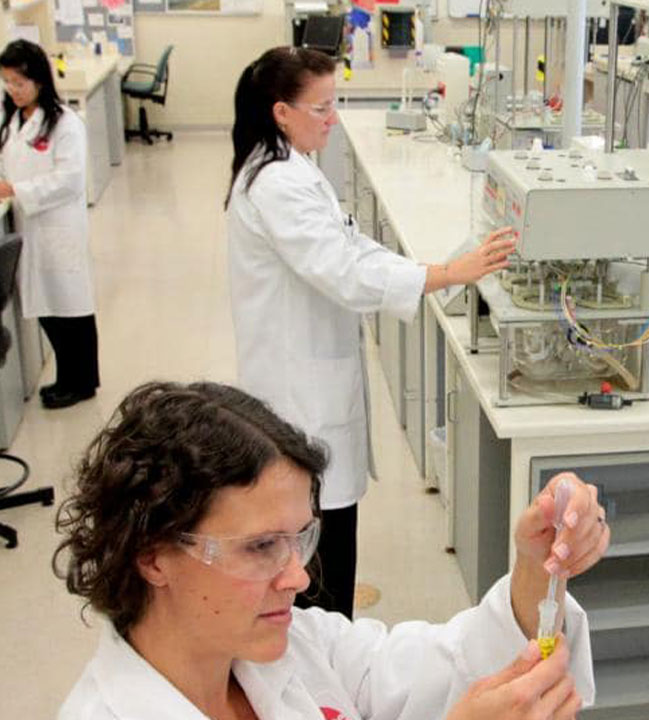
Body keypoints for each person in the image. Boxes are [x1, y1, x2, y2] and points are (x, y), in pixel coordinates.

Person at [55, 381, 610, 720]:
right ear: (153, 556)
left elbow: (445, 665)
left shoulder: (291, 644)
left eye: (299, 538)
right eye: (261, 546)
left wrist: (538, 568)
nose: (297, 578)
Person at [224, 47, 516, 618]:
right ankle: (323, 660)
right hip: (298, 394)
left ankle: (327, 646)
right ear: (282, 112)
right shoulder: (278, 183)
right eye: (322, 108)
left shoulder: (288, 165)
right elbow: (344, 272)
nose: (332, 118)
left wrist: (429, 269)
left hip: (306, 378)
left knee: (326, 544)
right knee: (316, 559)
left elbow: (349, 244)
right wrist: (445, 275)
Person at [0, 39, 99, 409]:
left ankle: (82, 383)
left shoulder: (65, 123)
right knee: (47, 308)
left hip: (58, 226)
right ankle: (67, 378)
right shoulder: (13, 121)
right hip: (30, 224)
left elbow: (70, 180)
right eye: (7, 82)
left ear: (39, 80)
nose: (13, 90)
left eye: (19, 82)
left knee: (70, 307)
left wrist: (17, 189)